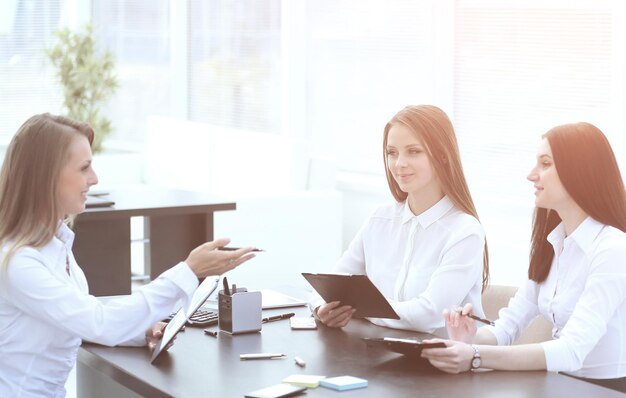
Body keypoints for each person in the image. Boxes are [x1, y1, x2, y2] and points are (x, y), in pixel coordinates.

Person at [0, 113, 257, 397]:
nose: (94, 179)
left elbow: (76, 316)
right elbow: (100, 323)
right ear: (45, 177)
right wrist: (189, 270)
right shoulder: (19, 264)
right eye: (84, 168)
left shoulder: (53, 244)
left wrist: (139, 331)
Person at [421, 122, 626, 392]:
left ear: (579, 171)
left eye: (545, 163)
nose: (532, 175)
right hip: (556, 384)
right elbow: (507, 326)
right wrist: (469, 340)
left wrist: (475, 356)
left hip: (602, 390)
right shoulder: (554, 243)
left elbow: (571, 350)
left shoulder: (612, 249)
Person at [309, 105, 489, 332]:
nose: (399, 163)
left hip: (444, 361)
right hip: (380, 354)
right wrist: (321, 308)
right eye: (392, 153)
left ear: (442, 156)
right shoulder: (379, 220)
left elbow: (429, 314)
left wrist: (362, 309)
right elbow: (328, 285)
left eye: (413, 151)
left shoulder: (464, 231)